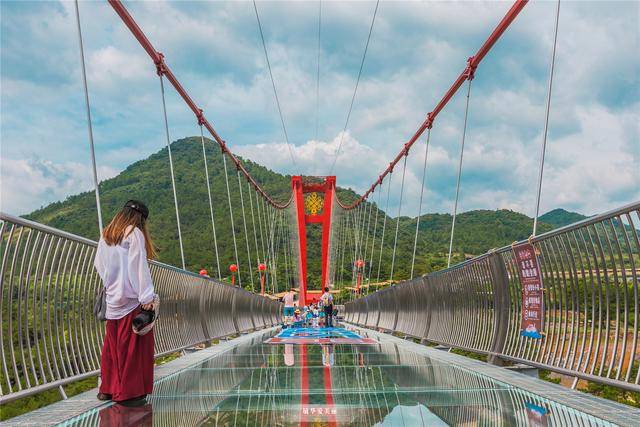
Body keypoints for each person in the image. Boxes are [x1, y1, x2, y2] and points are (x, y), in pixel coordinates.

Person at [94, 200, 157, 404]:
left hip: (112, 299)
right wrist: (147, 297)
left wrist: (111, 284)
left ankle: (108, 389)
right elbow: (138, 266)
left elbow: (99, 264)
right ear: (140, 219)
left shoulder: (106, 234)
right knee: (133, 347)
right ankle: (129, 393)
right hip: (130, 300)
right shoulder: (134, 233)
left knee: (112, 347)